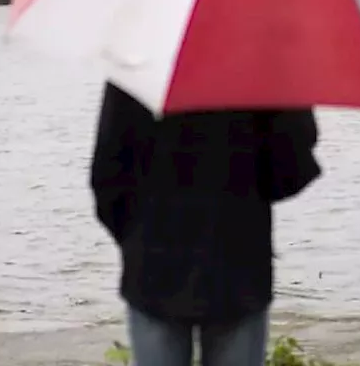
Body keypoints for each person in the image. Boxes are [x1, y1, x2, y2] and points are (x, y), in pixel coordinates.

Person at [90, 81, 321, 366]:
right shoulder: (264, 67)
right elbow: (291, 171)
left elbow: (107, 174)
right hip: (239, 264)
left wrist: (136, 238)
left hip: (153, 265)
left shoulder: (141, 65)